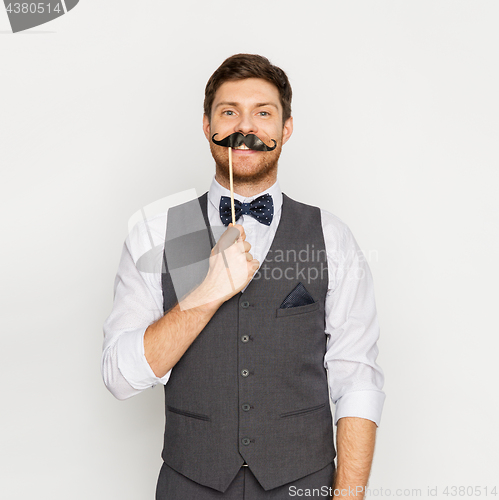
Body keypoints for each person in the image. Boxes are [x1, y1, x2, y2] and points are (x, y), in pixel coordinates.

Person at [102, 53, 385, 499]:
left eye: (263, 113)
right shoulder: (160, 234)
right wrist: (207, 293)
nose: (245, 127)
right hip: (189, 484)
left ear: (285, 129)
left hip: (303, 485)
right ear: (206, 125)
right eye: (229, 111)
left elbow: (357, 378)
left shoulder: (331, 237)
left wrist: (349, 495)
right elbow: (120, 377)